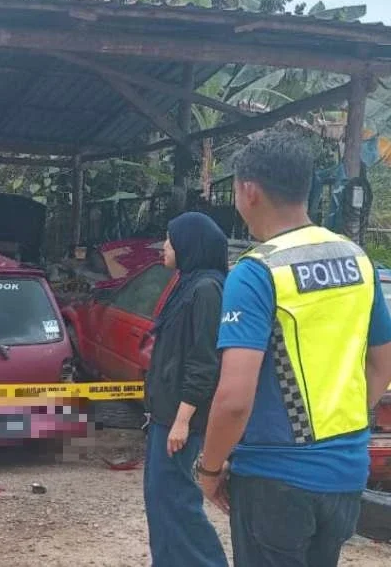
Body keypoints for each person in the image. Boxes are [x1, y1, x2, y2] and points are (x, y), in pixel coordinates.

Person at [196, 131, 391, 567]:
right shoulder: (357, 260)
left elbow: (232, 401)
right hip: (345, 473)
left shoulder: (256, 271)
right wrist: (342, 428)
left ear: (248, 191)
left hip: (275, 479)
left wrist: (208, 470)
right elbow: (383, 362)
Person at [143, 211, 229, 567]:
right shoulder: (187, 283)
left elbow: (203, 361)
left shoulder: (207, 289)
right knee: (160, 501)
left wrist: (182, 420)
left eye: (170, 238)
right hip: (164, 416)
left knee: (178, 502)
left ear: (189, 244)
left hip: (182, 421)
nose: (165, 246)